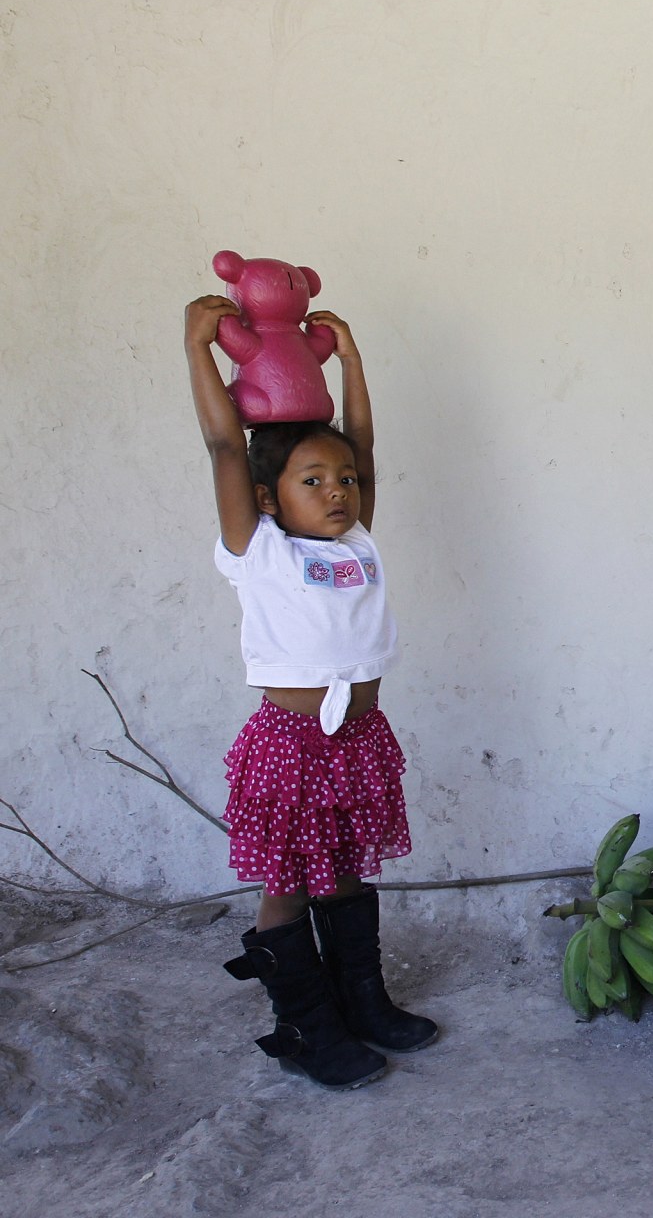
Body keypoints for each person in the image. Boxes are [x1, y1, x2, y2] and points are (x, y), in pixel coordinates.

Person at [185, 294, 436, 1091]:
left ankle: (363, 1003)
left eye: (345, 481)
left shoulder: (356, 540)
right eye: (313, 479)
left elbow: (361, 440)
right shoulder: (257, 549)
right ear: (269, 497)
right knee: (288, 885)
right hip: (292, 748)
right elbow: (228, 444)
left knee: (347, 874)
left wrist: (353, 363)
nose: (337, 490)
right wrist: (198, 351)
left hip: (358, 741)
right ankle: (304, 1025)